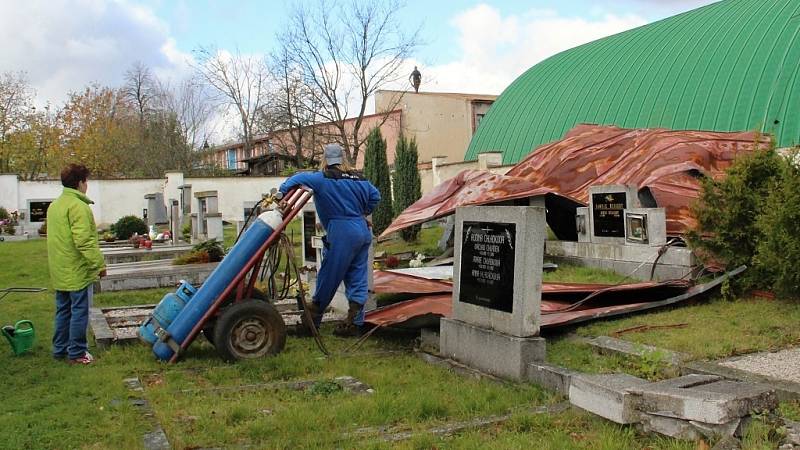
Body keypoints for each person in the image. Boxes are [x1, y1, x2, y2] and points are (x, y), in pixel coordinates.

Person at [279, 143, 380, 336]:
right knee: (357, 277)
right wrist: (364, 212)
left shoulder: (322, 178)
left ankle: (310, 325)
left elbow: (296, 178)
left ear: (325, 160)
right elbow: (376, 196)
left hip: (341, 232)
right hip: (361, 230)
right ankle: (355, 324)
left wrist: (282, 192)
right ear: (343, 159)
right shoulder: (360, 179)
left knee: (328, 277)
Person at [47, 164, 106, 364]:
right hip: (77, 269)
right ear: (80, 183)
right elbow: (84, 241)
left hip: (59, 268)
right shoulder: (78, 207)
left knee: (63, 310)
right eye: (86, 181)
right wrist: (99, 264)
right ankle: (78, 353)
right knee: (80, 310)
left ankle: (60, 349)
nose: (87, 185)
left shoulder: (55, 206)